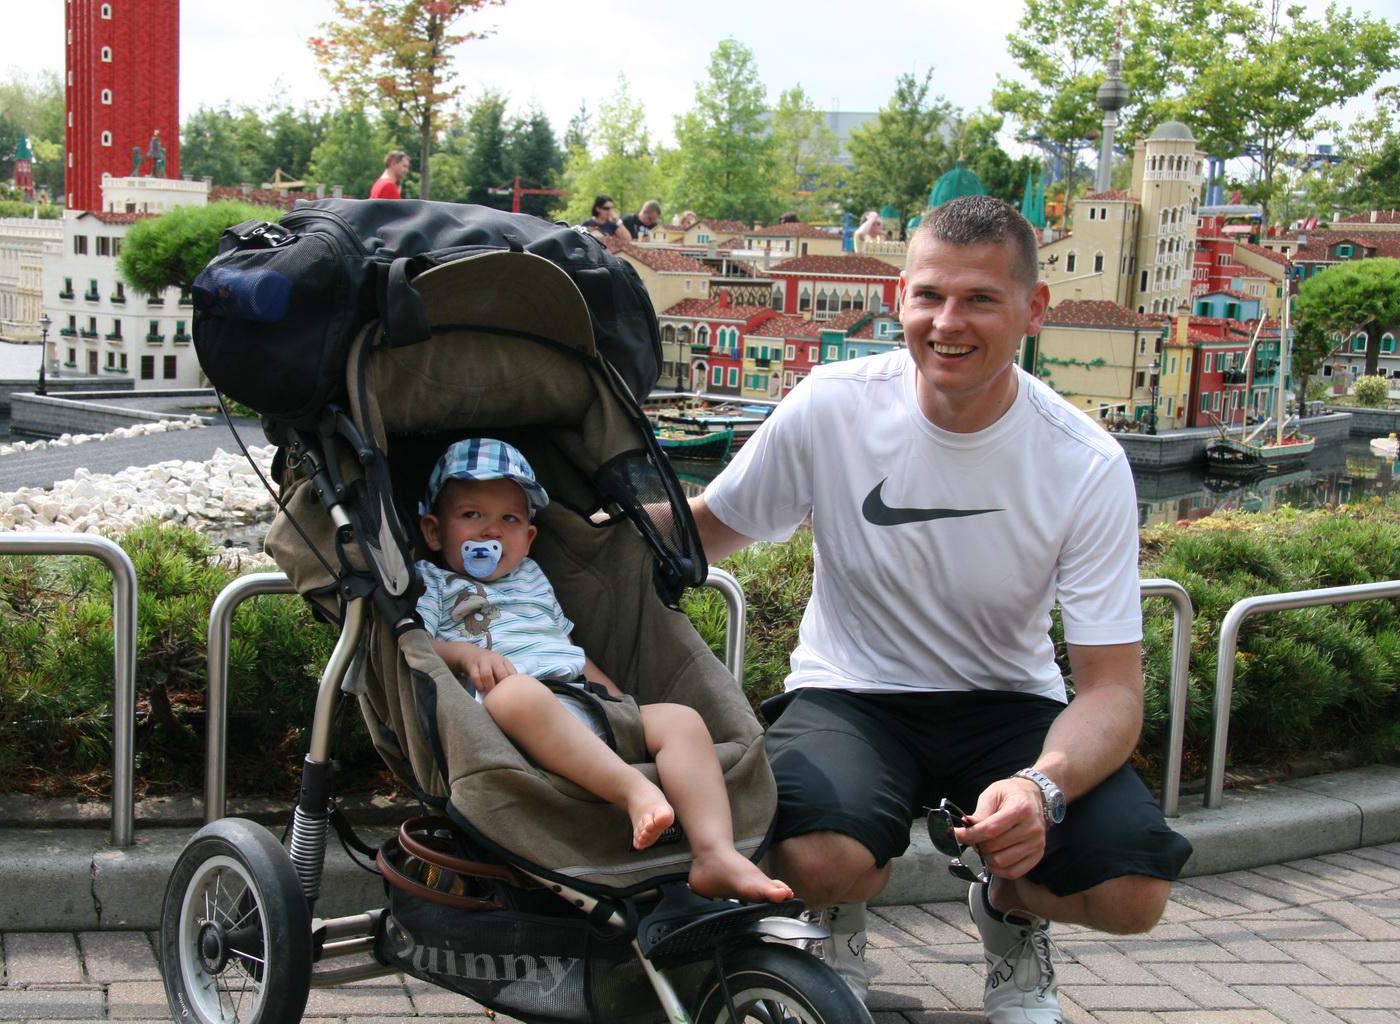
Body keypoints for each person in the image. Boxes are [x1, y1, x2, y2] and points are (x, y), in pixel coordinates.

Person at [689, 195, 1192, 1020]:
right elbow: (708, 528)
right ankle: (835, 915)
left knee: (1133, 891)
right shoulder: (833, 403)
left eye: (980, 299)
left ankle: (1009, 909)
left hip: (1009, 702)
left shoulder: (1086, 462)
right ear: (901, 298)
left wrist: (1040, 788)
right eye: (929, 295)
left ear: (1034, 309)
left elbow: (1112, 689)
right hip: (851, 693)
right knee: (816, 856)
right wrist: (557, 529)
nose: (947, 322)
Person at [416, 438, 793, 905]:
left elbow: (568, 646)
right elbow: (417, 645)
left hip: (580, 701)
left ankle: (714, 852)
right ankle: (634, 791)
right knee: (516, 693)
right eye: (472, 514)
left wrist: (617, 701)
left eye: (509, 519)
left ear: (529, 538)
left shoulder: (533, 577)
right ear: (434, 532)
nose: (491, 530)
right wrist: (462, 655)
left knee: (681, 720)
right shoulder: (432, 582)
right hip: (505, 717)